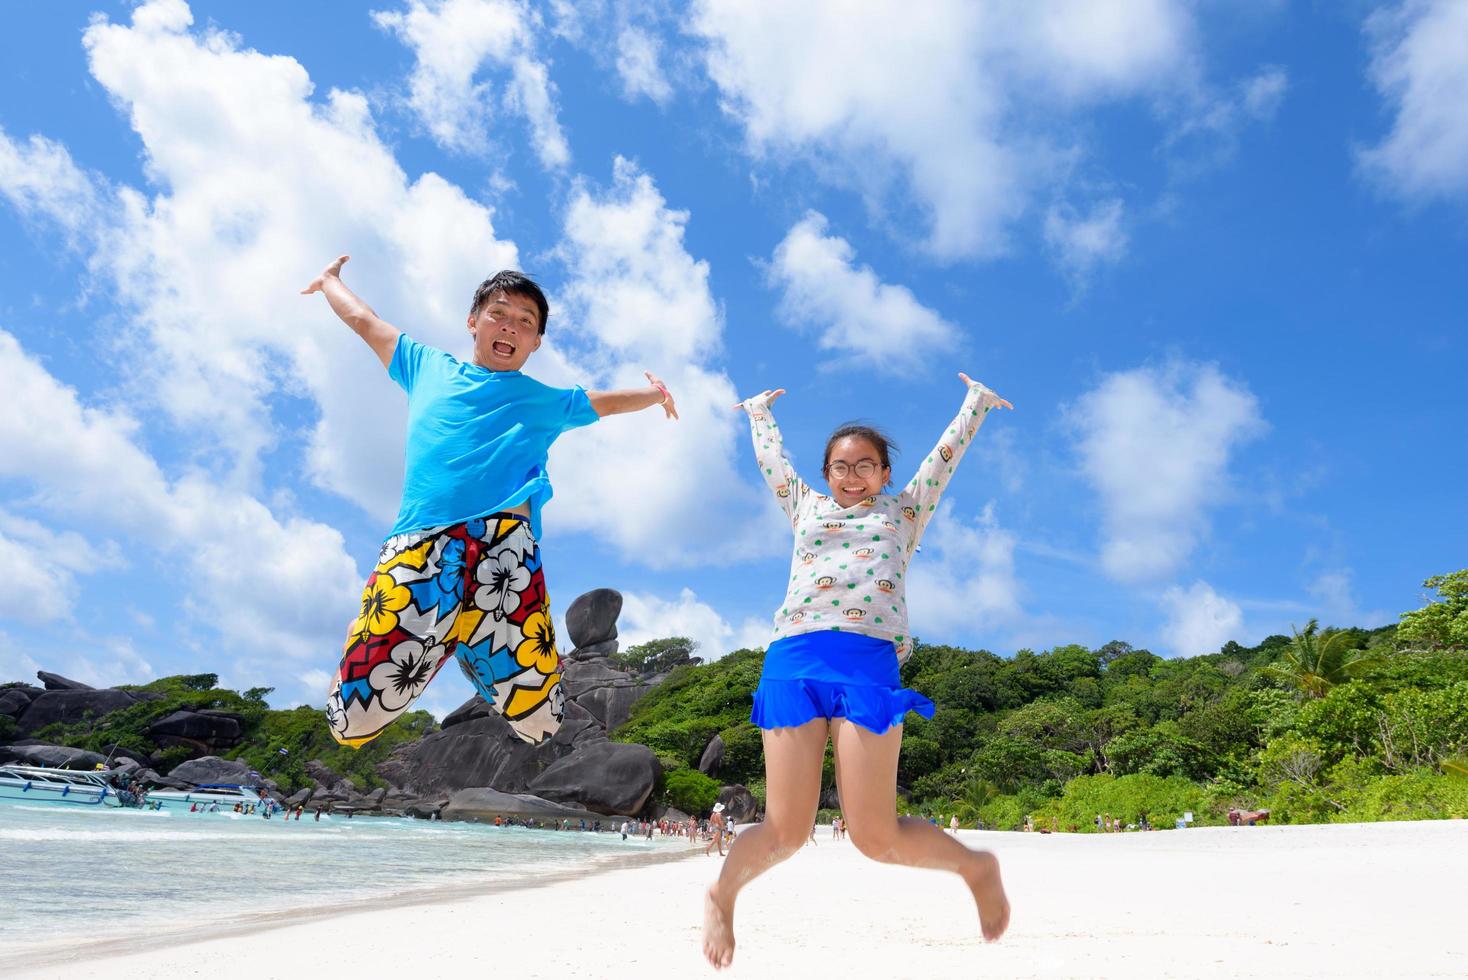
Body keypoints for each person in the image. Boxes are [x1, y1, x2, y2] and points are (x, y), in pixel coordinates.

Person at [703, 376, 1012, 968]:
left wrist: (975, 405)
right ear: (825, 474)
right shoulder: (806, 506)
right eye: (840, 467)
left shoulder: (904, 512)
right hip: (795, 658)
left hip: (868, 663)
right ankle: (722, 895)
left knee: (875, 836)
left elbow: (943, 460)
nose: (851, 476)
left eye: (865, 466)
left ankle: (975, 867)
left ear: (885, 474)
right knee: (786, 831)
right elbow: (774, 465)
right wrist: (759, 415)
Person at [303, 258, 677, 747]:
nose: (511, 327)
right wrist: (331, 282)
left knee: (542, 724)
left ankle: (469, 644)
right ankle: (411, 634)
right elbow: (365, 322)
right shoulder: (425, 365)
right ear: (473, 321)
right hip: (423, 546)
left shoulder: (547, 401)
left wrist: (654, 394)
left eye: (526, 322)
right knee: (350, 725)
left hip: (506, 554)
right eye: (500, 313)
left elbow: (606, 402)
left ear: (536, 342)